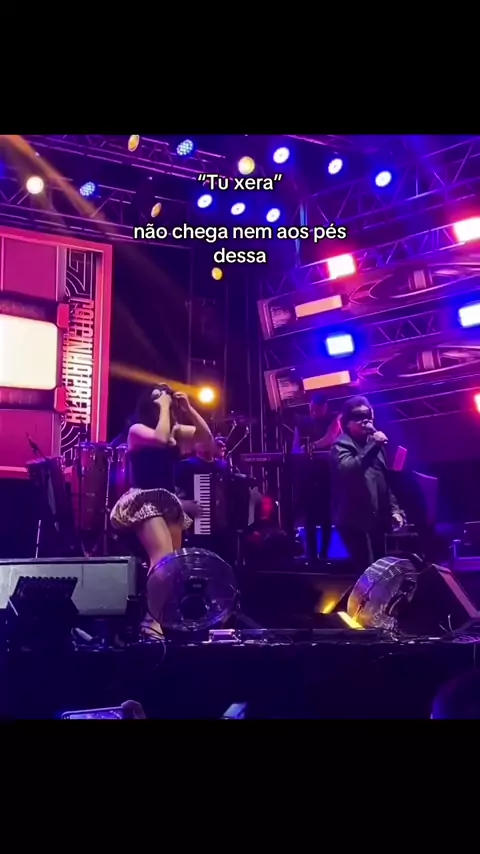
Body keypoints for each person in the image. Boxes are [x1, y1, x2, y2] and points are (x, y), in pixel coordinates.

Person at [110, 384, 214, 640]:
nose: (165, 399)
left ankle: (162, 617)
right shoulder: (136, 429)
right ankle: (151, 620)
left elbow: (206, 439)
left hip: (167, 501)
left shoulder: (172, 430)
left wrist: (189, 409)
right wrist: (165, 406)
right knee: (163, 558)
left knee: (173, 565)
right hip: (144, 499)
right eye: (159, 395)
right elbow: (159, 438)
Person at [330, 395, 404, 575]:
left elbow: (384, 481)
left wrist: (395, 510)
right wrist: (374, 446)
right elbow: (349, 469)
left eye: (368, 416)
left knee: (382, 571)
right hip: (355, 523)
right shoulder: (341, 445)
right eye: (358, 417)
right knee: (367, 571)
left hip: (376, 521)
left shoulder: (376, 447)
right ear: (347, 423)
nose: (365, 421)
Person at [292, 392, 340, 561]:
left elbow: (330, 437)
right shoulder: (302, 423)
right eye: (311, 408)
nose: (313, 412)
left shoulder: (334, 418)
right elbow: (295, 446)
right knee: (309, 516)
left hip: (327, 472)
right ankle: (311, 555)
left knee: (326, 515)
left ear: (325, 407)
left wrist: (312, 446)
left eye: (317, 409)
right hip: (308, 473)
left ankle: (324, 554)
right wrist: (297, 456)